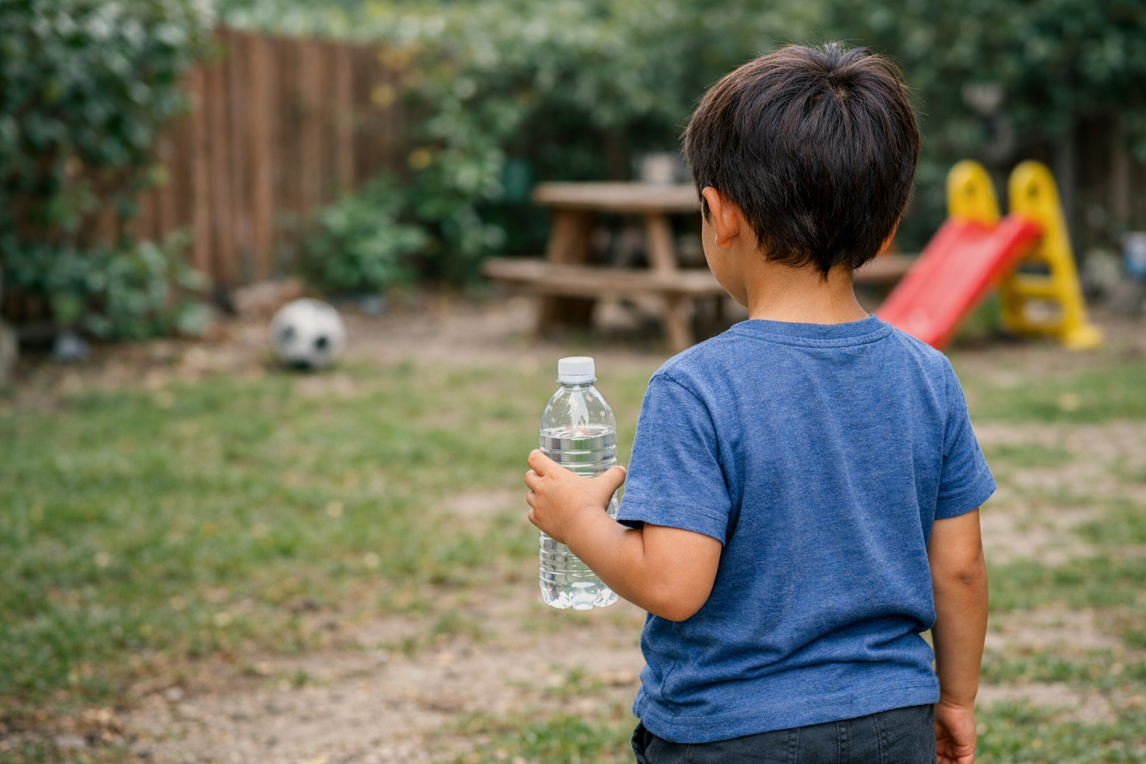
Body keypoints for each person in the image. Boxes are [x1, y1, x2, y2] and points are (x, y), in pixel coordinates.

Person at [524, 43, 992, 764]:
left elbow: (674, 585)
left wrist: (578, 519)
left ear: (719, 214)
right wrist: (954, 699)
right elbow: (958, 568)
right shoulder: (928, 375)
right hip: (893, 720)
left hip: (728, 734)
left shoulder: (694, 386)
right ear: (891, 226)